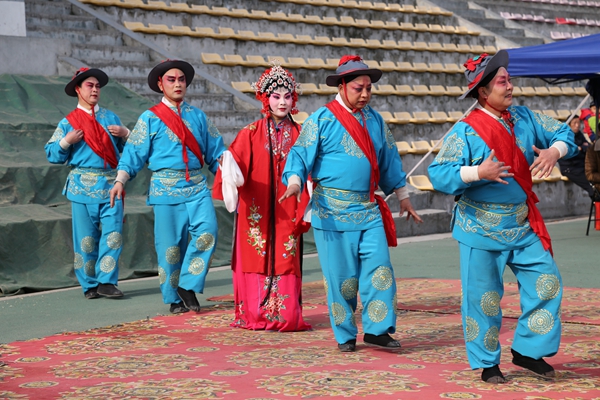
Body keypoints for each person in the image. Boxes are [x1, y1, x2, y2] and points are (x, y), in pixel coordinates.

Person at [428, 51, 578, 383]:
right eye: (502, 81)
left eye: (509, 79)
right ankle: (488, 362)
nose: (510, 86)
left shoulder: (525, 117)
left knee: (547, 283)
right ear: (483, 91)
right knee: (484, 298)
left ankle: (527, 350)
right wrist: (477, 171)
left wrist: (554, 151)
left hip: (521, 225)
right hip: (479, 228)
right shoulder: (465, 131)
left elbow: (565, 134)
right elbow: (438, 174)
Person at [280, 55, 422, 352]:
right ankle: (345, 334)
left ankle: (377, 330)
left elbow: (389, 161)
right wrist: (294, 182)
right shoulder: (322, 119)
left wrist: (404, 197)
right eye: (359, 88)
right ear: (343, 86)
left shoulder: (375, 120)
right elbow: (299, 156)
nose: (366, 94)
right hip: (331, 212)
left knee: (380, 271)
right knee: (341, 278)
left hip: (368, 210)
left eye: (369, 88)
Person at [109, 60, 226, 314]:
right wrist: (120, 180)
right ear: (160, 84)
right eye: (171, 80)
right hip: (165, 189)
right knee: (170, 247)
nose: (177, 84)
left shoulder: (199, 116)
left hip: (196, 186)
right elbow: (133, 153)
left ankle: (188, 285)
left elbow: (218, 153)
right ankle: (174, 298)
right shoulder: (149, 118)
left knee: (209, 232)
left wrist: (232, 178)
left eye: (181, 79)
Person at [213, 64, 312, 332]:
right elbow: (233, 167)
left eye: (287, 96)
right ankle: (255, 313)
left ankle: (286, 313)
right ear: (265, 98)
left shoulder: (302, 134)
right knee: (255, 251)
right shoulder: (250, 132)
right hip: (255, 211)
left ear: (294, 100)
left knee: (286, 255)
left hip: (288, 210)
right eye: (276, 96)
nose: (282, 101)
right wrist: (229, 164)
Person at [45, 67, 130, 300]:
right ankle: (89, 284)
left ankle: (107, 282)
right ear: (77, 90)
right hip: (82, 186)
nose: (95, 89)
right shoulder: (68, 123)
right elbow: (52, 154)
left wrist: (125, 133)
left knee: (113, 235)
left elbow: (131, 151)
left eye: (97, 86)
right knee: (85, 239)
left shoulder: (111, 118)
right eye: (89, 85)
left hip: (112, 184)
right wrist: (66, 141)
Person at [558, 115, 595, 197]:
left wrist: (581, 148)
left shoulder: (578, 134)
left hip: (581, 166)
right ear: (569, 125)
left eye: (578, 122)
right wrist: (582, 148)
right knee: (592, 188)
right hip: (570, 168)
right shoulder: (564, 136)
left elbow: (589, 148)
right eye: (574, 123)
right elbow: (572, 153)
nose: (577, 125)